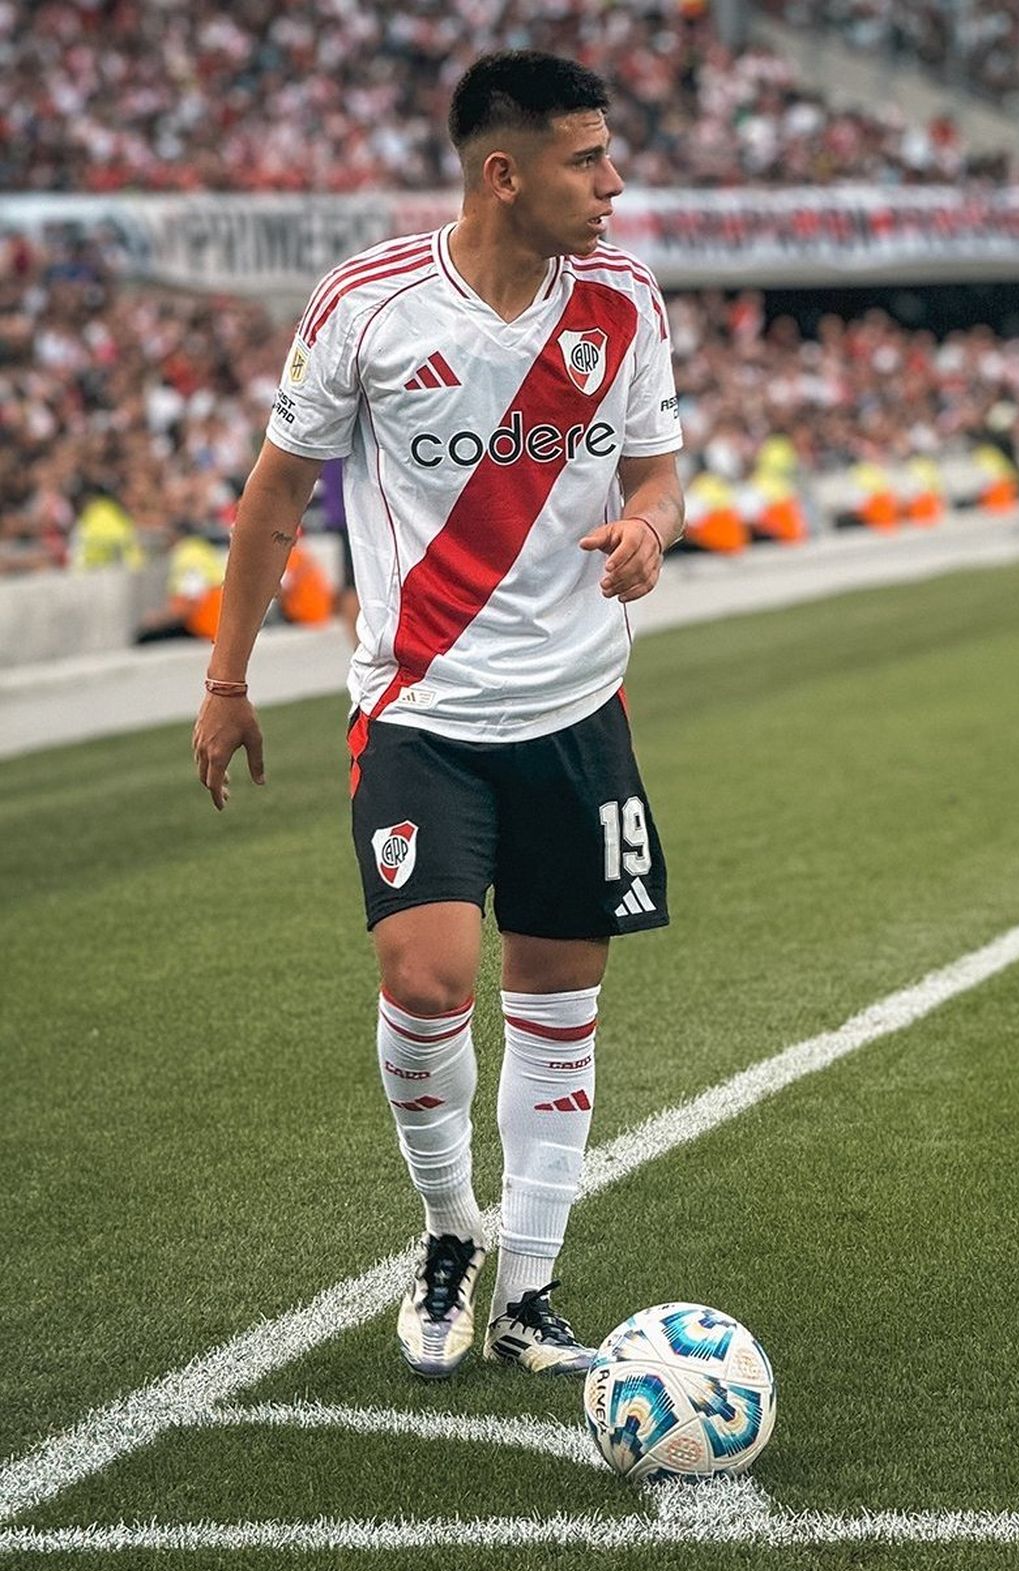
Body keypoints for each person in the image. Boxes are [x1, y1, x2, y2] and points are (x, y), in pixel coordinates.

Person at [192, 51, 684, 1379]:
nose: (614, 182)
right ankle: (448, 1229)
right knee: (424, 979)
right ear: (503, 174)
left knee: (556, 998)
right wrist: (228, 680)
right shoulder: (366, 307)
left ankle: (529, 1286)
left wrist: (647, 526)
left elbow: (659, 467)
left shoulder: (625, 305)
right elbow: (275, 499)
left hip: (576, 712)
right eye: (588, 160)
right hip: (421, 711)